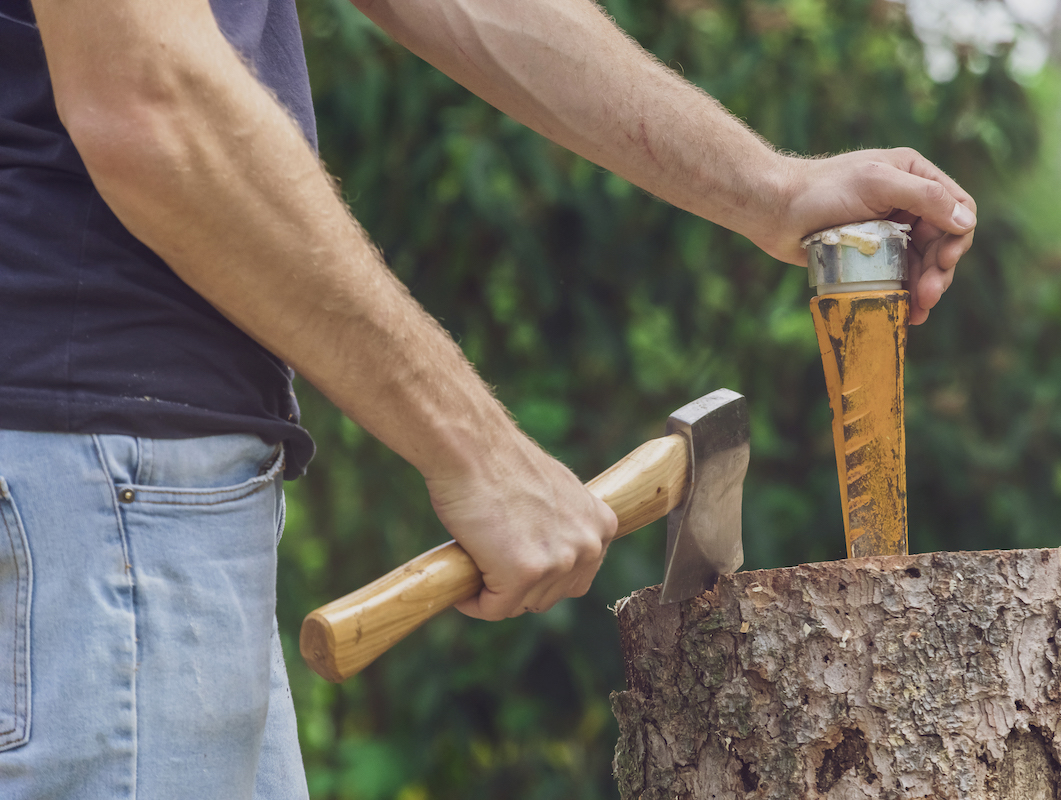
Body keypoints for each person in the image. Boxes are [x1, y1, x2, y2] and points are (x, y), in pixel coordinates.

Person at [0, 0, 976, 796]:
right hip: (85, 492)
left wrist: (768, 188)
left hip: (125, 502)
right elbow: (147, 92)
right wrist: (477, 450)